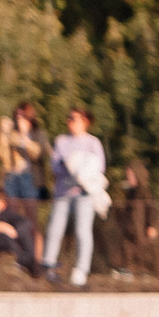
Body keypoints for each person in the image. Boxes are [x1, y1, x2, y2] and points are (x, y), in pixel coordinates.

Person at [44, 106, 109, 288]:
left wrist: (82, 173)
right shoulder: (62, 141)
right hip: (63, 193)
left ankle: (81, 270)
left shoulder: (93, 143)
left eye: (74, 118)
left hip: (84, 194)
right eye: (69, 118)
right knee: (55, 228)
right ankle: (49, 265)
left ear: (85, 122)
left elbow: (99, 167)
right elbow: (55, 166)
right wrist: (69, 167)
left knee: (83, 231)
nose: (70, 121)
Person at [0, 102, 49, 203]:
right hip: (12, 175)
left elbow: (39, 154)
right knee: (12, 210)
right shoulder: (11, 134)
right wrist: (3, 133)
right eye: (17, 115)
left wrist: (24, 137)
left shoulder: (39, 134)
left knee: (31, 209)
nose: (19, 119)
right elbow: (0, 154)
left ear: (30, 117)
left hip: (31, 177)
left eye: (22, 116)